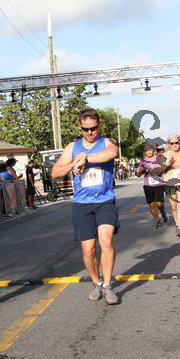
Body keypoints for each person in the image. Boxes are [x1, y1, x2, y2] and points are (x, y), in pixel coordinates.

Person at [52, 107, 119, 305]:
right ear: (80, 128)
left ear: (99, 125)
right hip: (82, 204)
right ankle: (97, 283)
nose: (90, 133)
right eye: (85, 129)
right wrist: (75, 162)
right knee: (88, 250)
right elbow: (55, 172)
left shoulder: (106, 142)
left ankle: (108, 285)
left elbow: (111, 153)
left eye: (93, 128)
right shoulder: (72, 147)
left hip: (105, 201)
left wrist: (86, 160)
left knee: (106, 241)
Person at [136, 143, 168, 229]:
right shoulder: (143, 161)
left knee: (159, 204)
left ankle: (163, 212)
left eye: (150, 150)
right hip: (148, 185)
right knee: (152, 205)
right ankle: (157, 221)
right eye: (147, 150)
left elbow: (164, 170)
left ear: (153, 150)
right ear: (145, 152)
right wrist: (140, 171)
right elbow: (138, 174)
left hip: (159, 184)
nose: (149, 152)